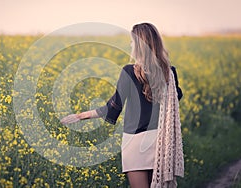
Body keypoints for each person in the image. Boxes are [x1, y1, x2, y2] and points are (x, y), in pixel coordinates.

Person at [61, 23, 184, 188]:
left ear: (139, 45)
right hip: (162, 143)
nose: (130, 45)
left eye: (132, 41)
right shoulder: (170, 73)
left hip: (135, 144)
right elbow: (175, 101)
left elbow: (113, 106)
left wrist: (81, 116)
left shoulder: (129, 72)